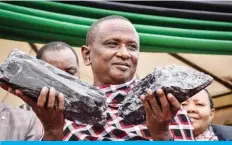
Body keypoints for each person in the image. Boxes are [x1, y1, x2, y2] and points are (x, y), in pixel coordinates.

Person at [1, 15, 194, 141]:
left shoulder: (162, 104)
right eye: (112, 44)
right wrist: (52, 130)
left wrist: (161, 133)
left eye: (132, 47)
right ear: (86, 55)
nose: (125, 54)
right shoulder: (57, 108)